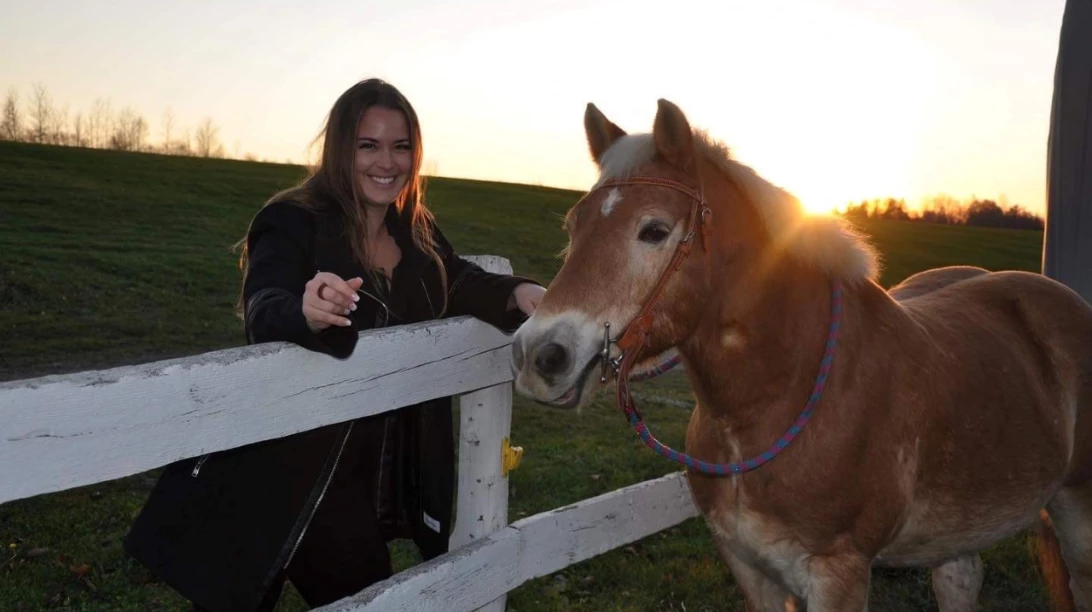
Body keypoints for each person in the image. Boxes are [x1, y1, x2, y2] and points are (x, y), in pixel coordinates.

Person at [124, 77, 545, 612]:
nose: (385, 162)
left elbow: (457, 281)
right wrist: (306, 309)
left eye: (400, 146)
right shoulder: (292, 222)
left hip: (383, 465)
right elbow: (265, 303)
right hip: (300, 466)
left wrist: (521, 292)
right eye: (368, 145)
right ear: (341, 149)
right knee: (367, 592)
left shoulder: (417, 231)